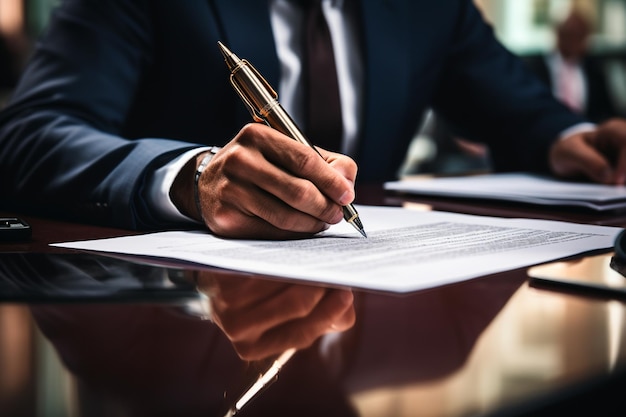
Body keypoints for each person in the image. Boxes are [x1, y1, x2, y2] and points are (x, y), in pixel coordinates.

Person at [1, 0, 626, 240]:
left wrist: (574, 139)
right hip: (168, 321)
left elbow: (516, 104)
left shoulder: (431, 9)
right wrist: (189, 179)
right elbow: (32, 135)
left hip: (365, 290)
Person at [523, 9, 621, 123]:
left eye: (579, 36)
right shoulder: (535, 68)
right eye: (568, 35)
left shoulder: (595, 70)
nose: (573, 42)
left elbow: (608, 111)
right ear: (558, 34)